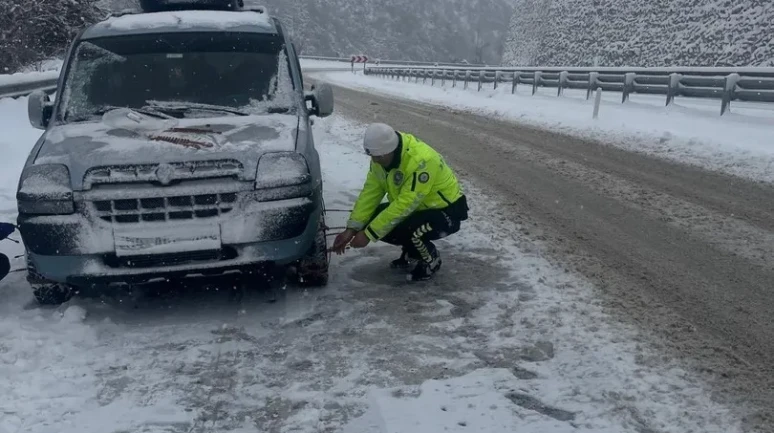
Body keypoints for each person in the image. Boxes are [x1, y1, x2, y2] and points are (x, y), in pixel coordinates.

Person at [332, 123, 469, 281]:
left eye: (377, 157)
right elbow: (371, 193)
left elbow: (406, 204)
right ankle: (412, 252)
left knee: (410, 230)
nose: (374, 161)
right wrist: (352, 229)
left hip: (446, 213)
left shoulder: (422, 161)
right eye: (372, 157)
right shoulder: (380, 158)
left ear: (389, 150)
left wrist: (369, 234)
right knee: (372, 219)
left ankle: (431, 259)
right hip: (419, 210)